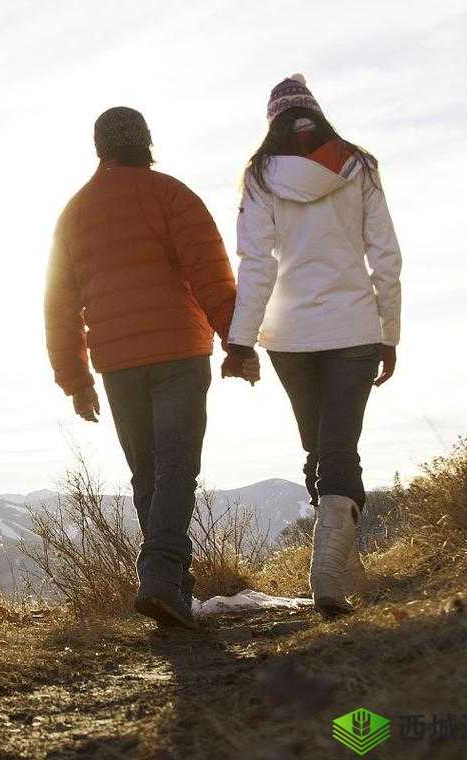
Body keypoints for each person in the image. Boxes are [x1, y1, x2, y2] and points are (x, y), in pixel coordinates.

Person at [44, 107, 255, 629]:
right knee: (177, 468)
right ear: (146, 142)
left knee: (148, 474)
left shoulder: (73, 212)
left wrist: (76, 379)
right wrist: (237, 342)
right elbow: (211, 275)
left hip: (117, 363)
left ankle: (172, 589)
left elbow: (58, 306)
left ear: (100, 149)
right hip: (179, 354)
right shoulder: (171, 195)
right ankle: (161, 577)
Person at [226, 75, 403, 617]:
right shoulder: (358, 167)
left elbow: (257, 265)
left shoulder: (259, 177)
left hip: (291, 336)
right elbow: (386, 259)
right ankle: (331, 575)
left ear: (273, 122)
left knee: (320, 449)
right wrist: (389, 333)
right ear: (317, 115)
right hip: (353, 329)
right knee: (338, 448)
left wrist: (241, 340)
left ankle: (339, 570)